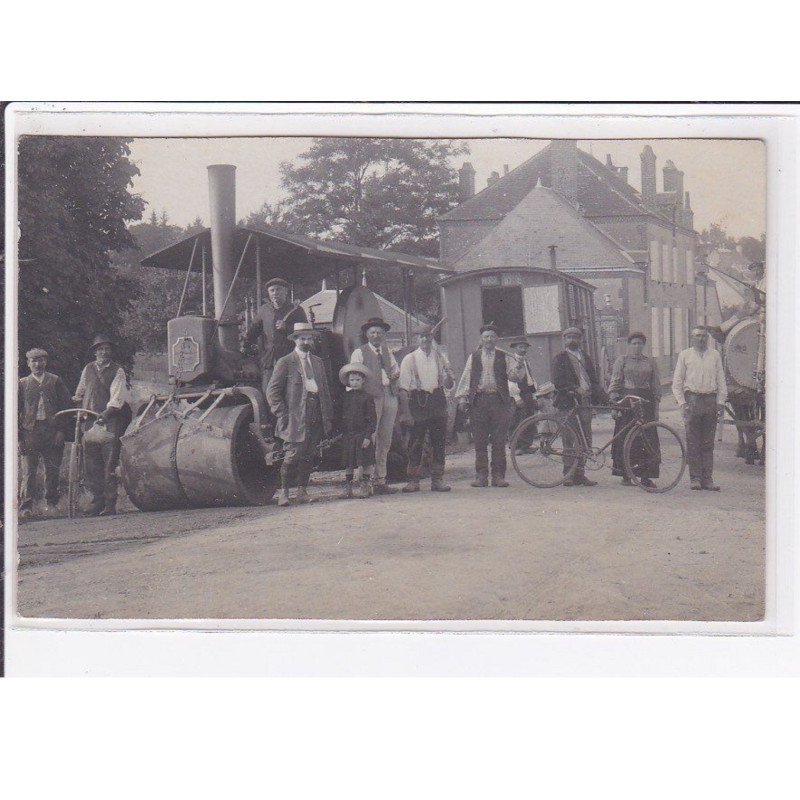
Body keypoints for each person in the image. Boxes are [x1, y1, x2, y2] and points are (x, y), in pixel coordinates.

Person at [267, 322, 334, 507]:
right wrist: (282, 414)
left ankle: (302, 492)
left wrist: (327, 416)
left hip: (316, 411)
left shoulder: (318, 362)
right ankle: (284, 493)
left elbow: (325, 390)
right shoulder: (285, 362)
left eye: (309, 338)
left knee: (309, 454)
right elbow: (272, 392)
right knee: (292, 454)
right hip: (295, 416)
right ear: (295, 340)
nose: (306, 342)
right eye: (302, 338)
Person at [455, 323, 523, 487]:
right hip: (479, 402)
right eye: (486, 337)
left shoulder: (504, 356)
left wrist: (519, 365)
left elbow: (514, 378)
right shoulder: (474, 357)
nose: (489, 340)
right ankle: (481, 476)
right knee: (480, 441)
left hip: (499, 401)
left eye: (492, 336)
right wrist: (462, 399)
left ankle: (498, 476)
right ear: (481, 339)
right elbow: (466, 378)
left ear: (497, 339)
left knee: (499, 441)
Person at [74, 334, 131, 516]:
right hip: (90, 422)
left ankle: (110, 503)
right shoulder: (88, 369)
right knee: (91, 465)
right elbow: (81, 391)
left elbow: (117, 398)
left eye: (107, 349)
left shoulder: (117, 371)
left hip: (110, 422)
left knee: (109, 464)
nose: (104, 352)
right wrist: (78, 403)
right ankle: (96, 503)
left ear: (111, 352)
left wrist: (106, 414)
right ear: (95, 352)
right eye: (100, 349)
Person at [397, 323, 455, 493]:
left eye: (428, 336)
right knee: (416, 442)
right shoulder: (410, 359)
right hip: (418, 400)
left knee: (439, 441)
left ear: (432, 337)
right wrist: (406, 413)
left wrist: (449, 376)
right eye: (421, 336)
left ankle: (437, 479)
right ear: (417, 339)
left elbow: (449, 384)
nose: (425, 339)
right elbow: (403, 389)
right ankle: (413, 480)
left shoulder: (440, 356)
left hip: (437, 399)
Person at [672, 326, 727, 491]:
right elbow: (677, 382)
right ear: (692, 338)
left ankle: (708, 479)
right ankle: (695, 478)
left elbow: (721, 380)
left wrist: (721, 402)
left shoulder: (715, 355)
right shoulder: (685, 355)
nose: (701, 339)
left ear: (708, 338)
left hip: (710, 400)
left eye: (704, 336)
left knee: (708, 443)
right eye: (697, 336)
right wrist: (682, 403)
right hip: (692, 400)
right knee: (693, 442)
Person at [18, 347, 71, 518]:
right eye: (33, 361)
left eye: (40, 360)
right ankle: (26, 507)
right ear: (28, 363)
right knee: (28, 471)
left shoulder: (55, 381)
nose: (37, 364)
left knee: (52, 469)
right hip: (30, 432)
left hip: (52, 431)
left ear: (45, 362)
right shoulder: (22, 383)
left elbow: (66, 408)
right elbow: (15, 411)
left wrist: (61, 431)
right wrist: (19, 438)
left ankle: (51, 504)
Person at [349, 317, 401, 495]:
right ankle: (366, 480)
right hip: (370, 398)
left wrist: (394, 377)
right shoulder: (359, 352)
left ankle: (380, 480)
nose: (376, 335)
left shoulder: (387, 351)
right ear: (367, 334)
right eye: (372, 332)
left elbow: (395, 369)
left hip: (389, 395)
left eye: (379, 332)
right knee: (369, 438)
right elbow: (354, 376)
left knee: (385, 439)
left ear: (383, 334)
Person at [551, 327, 605, 487]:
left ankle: (580, 474)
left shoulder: (585, 357)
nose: (572, 340)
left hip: (584, 402)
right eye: (569, 337)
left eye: (575, 337)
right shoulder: (560, 358)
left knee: (585, 438)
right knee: (569, 438)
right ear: (564, 340)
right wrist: (574, 389)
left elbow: (593, 380)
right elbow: (558, 380)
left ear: (580, 339)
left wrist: (603, 397)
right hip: (567, 402)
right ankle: (568, 474)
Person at [608, 332, 661, 488]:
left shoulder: (650, 362)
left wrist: (656, 407)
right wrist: (614, 404)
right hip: (627, 401)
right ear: (629, 345)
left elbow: (656, 385)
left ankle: (645, 477)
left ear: (643, 345)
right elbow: (615, 382)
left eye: (640, 343)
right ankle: (626, 475)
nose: (637, 346)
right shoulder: (622, 360)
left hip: (646, 402)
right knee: (625, 437)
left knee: (647, 439)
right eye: (634, 343)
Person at [244, 277, 308, 396]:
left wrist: (287, 328)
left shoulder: (296, 310)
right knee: (268, 392)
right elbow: (253, 331)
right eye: (272, 290)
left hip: (290, 359)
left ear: (285, 291)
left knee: (291, 393)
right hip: (269, 361)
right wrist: (246, 349)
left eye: (278, 289)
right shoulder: (264, 310)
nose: (275, 293)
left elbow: (305, 334)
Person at [338, 363, 377, 500]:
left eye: (357, 380)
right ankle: (348, 487)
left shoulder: (367, 397)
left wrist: (367, 436)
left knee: (365, 461)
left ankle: (365, 485)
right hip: (349, 435)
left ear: (363, 380)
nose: (354, 383)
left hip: (362, 434)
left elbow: (372, 419)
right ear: (348, 381)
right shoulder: (345, 396)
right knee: (349, 462)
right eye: (352, 380)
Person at [507, 338, 538, 454]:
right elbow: (510, 381)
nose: (523, 349)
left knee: (529, 419)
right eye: (520, 347)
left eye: (525, 347)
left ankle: (526, 445)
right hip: (518, 394)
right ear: (515, 348)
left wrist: (534, 393)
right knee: (517, 420)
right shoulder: (511, 361)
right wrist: (516, 397)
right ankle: (516, 446)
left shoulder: (525, 361)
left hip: (527, 393)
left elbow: (530, 377)